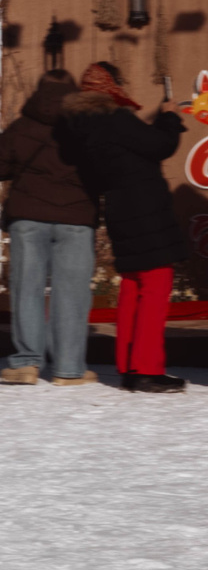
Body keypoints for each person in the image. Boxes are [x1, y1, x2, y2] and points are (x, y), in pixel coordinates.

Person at [59, 61, 188, 393]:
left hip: (119, 210)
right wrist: (169, 117)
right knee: (156, 284)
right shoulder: (115, 118)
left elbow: (137, 145)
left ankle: (130, 366)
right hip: (145, 209)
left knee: (133, 285)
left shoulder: (84, 126)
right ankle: (146, 368)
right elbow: (160, 145)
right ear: (110, 85)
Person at [0, 68, 97, 387]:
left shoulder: (23, 126)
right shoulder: (87, 126)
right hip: (76, 217)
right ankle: (69, 368)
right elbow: (106, 167)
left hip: (28, 216)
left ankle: (26, 363)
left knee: (27, 289)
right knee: (72, 293)